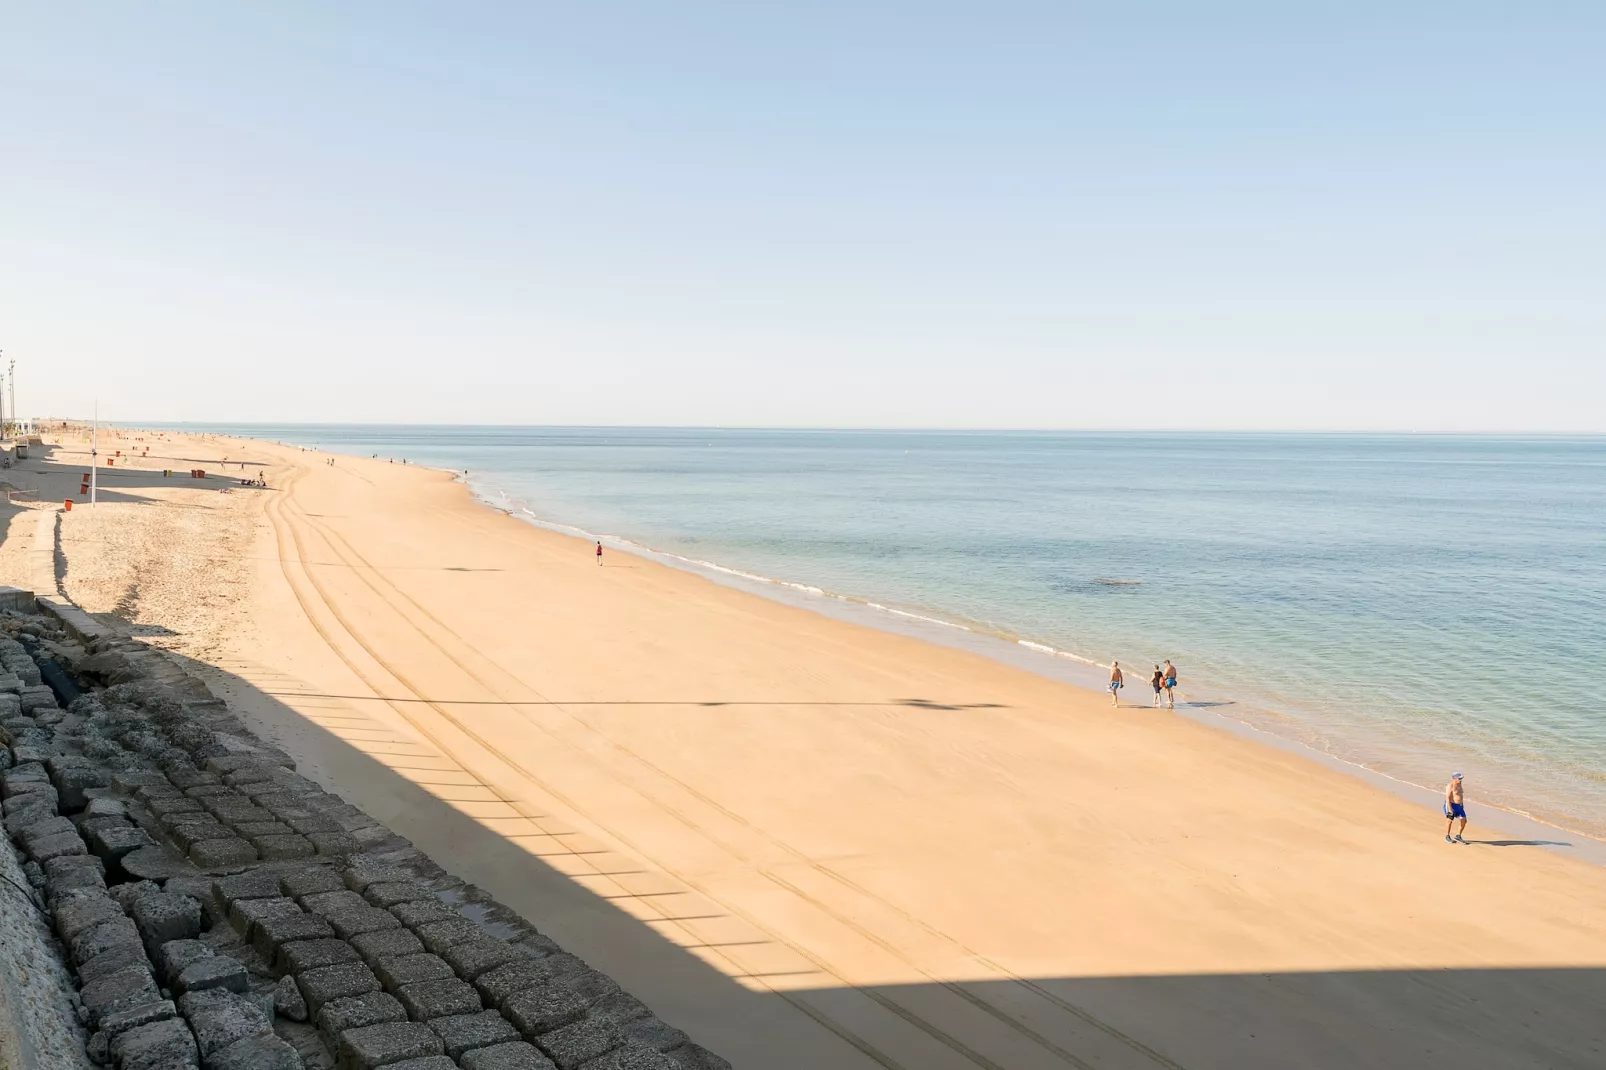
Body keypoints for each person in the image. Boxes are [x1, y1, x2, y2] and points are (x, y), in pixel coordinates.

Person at [1444, 773, 1468, 843]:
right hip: (1451, 805)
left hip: (1459, 806)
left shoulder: (1459, 785)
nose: (1461, 780)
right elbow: (1447, 798)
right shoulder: (1450, 785)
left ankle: (1458, 836)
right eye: (1459, 778)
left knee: (1464, 820)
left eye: (1461, 778)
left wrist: (1462, 805)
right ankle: (1447, 836)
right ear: (1454, 778)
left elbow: (1460, 795)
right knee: (1449, 820)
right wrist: (1450, 809)